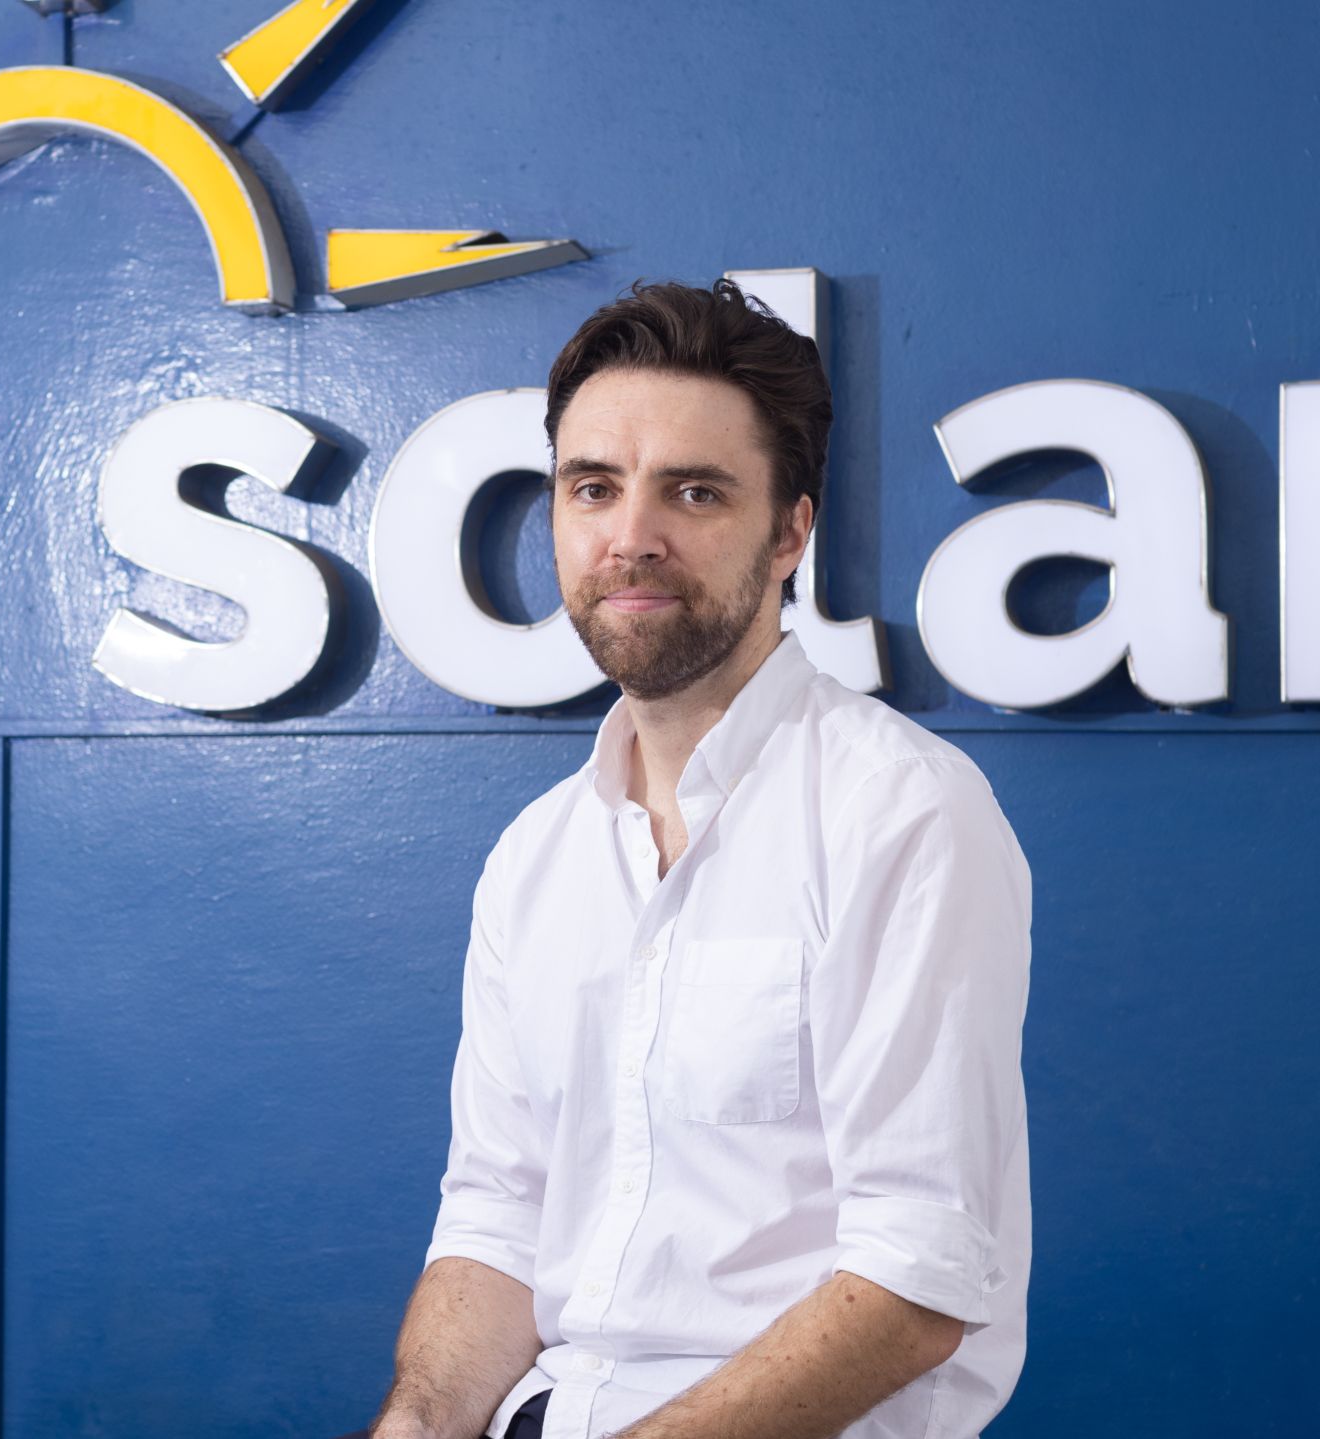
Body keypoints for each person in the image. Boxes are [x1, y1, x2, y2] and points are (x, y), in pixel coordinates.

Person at [356, 280, 1033, 1439]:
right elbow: (496, 1219)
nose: (631, 536)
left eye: (694, 490)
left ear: (789, 534)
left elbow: (918, 1272)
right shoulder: (535, 859)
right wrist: (411, 1428)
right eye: (593, 487)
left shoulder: (901, 811)